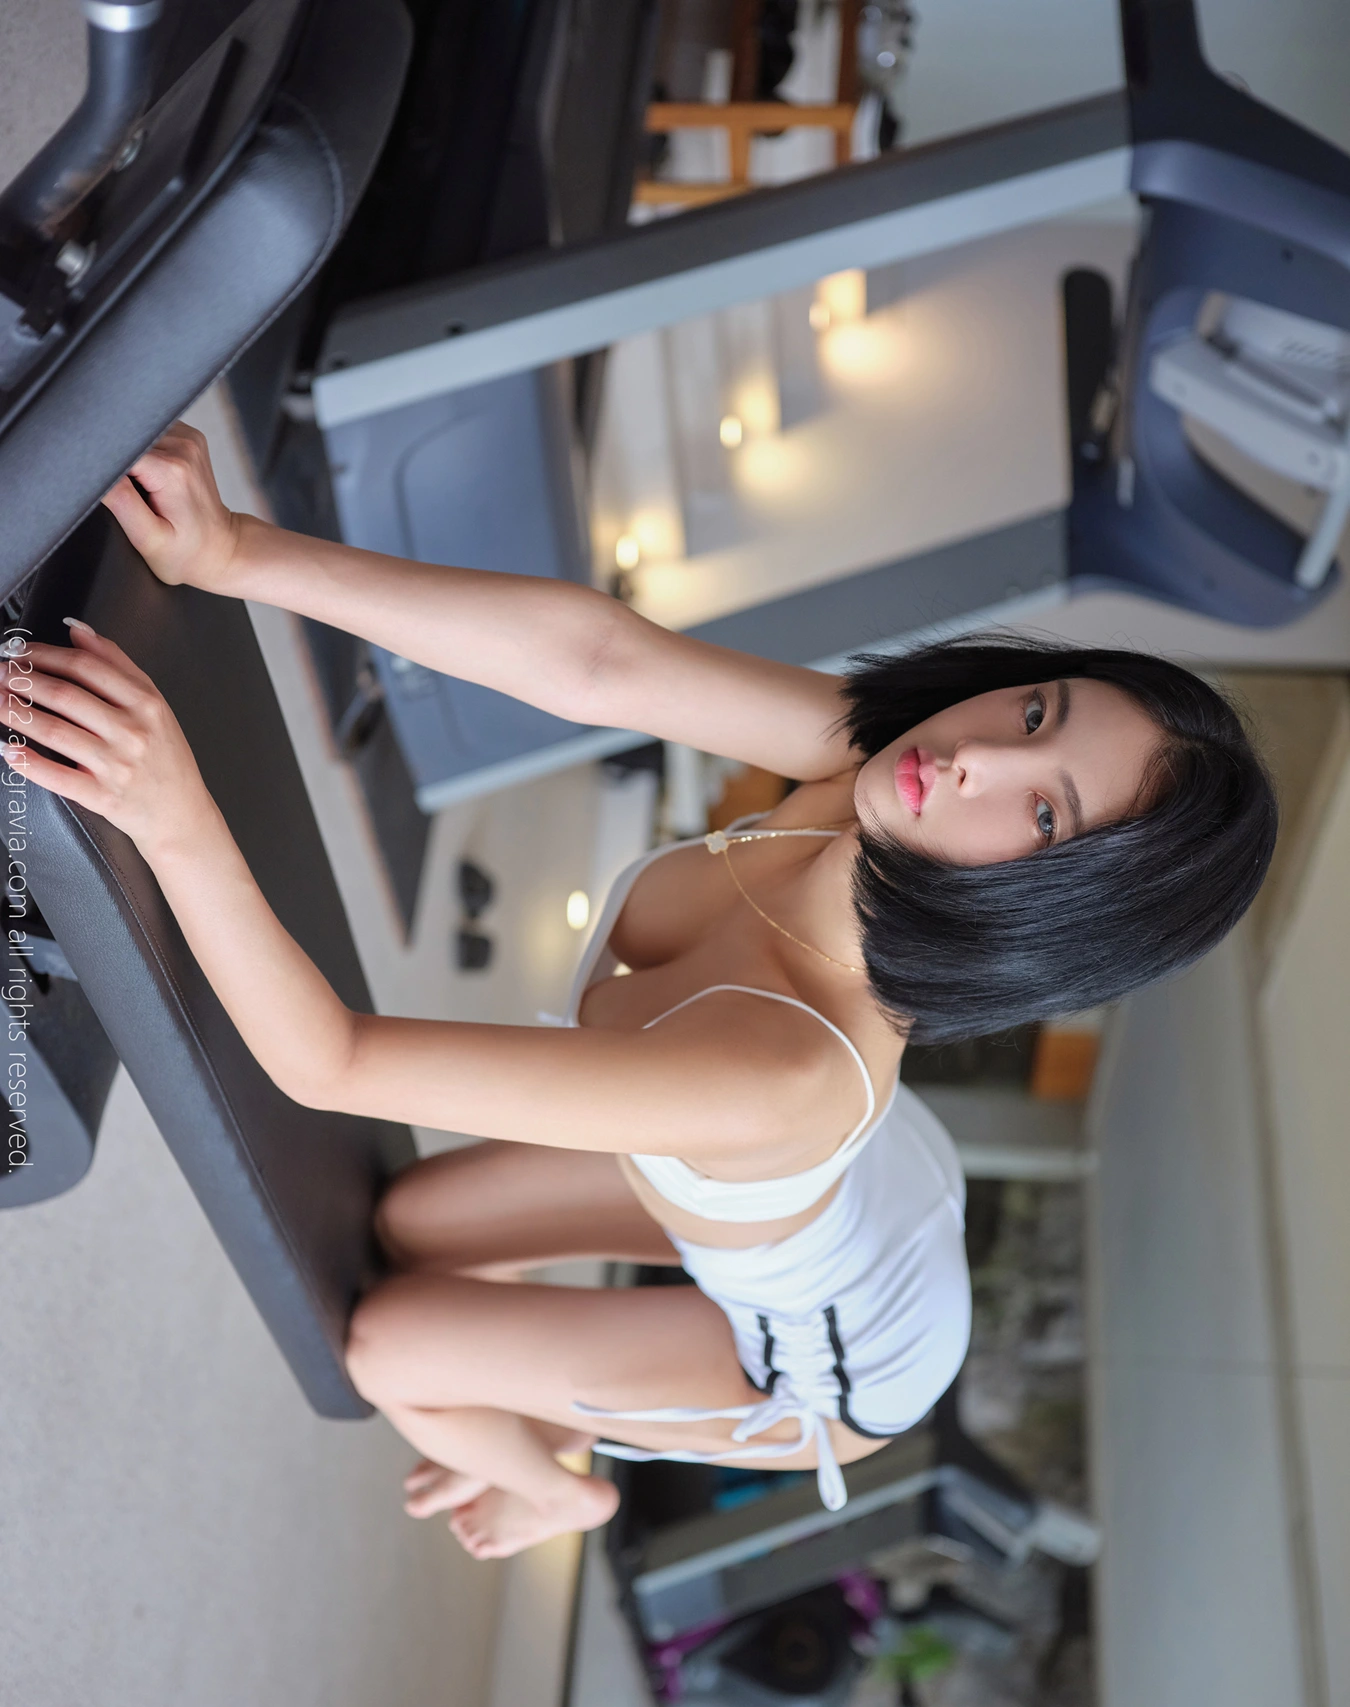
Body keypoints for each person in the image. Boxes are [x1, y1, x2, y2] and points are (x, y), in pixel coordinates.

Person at [3, 424, 1277, 1559]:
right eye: (1039, 710)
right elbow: (600, 661)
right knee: (412, 1225)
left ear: (1052, 916)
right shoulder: (874, 774)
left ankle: (561, 1496)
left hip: (823, 1357)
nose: (975, 758)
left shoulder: (779, 1069)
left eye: (1044, 816)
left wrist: (169, 812)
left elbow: (331, 1059)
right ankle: (587, 1375)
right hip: (837, 1195)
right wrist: (235, 551)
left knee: (388, 1342)